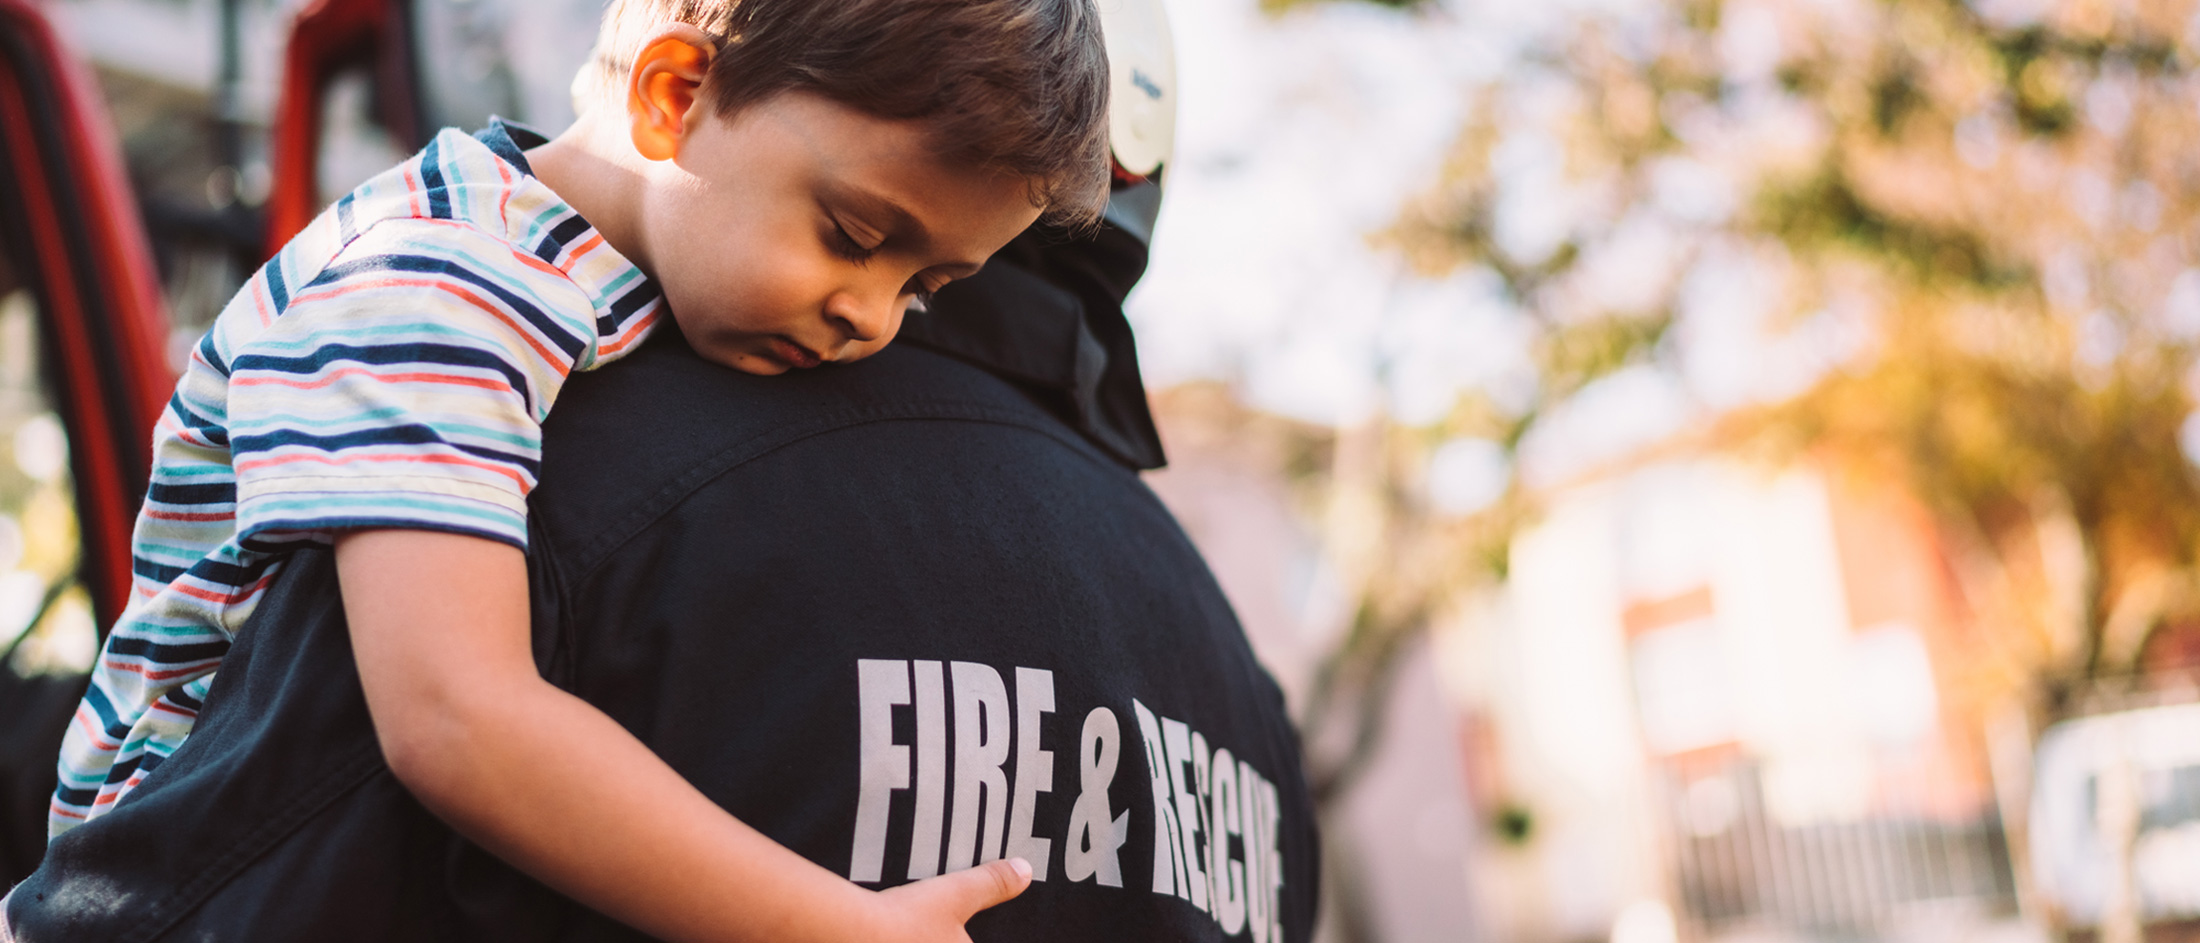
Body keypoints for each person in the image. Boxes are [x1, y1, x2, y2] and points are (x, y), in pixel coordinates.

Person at [3, 147, 1322, 940]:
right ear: (670, 87)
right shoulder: (441, 294)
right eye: (858, 240)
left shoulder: (598, 436)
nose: (867, 317)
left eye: (922, 287)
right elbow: (457, 713)